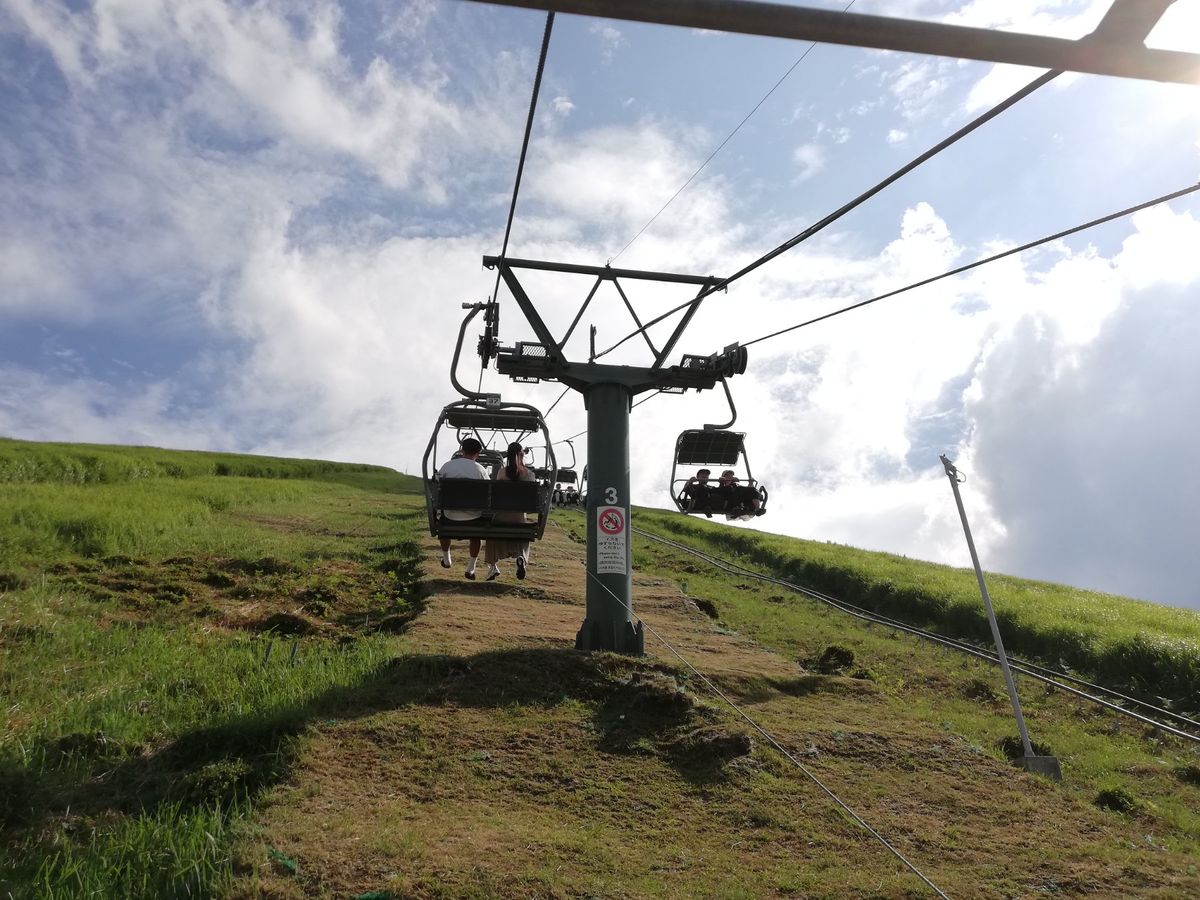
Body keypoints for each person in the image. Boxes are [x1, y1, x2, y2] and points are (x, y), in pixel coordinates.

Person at [436, 437, 488, 579]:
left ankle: (447, 559)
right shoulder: (481, 470)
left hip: (450, 515)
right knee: (476, 536)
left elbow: (436, 487)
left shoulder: (447, 466)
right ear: (478, 453)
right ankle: (471, 568)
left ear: (462, 450)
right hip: (473, 517)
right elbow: (488, 493)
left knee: (443, 527)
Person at [484, 442, 536, 580]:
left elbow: (496, 496)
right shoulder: (529, 475)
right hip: (519, 518)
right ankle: (520, 556)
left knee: (492, 534)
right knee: (522, 533)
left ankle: (493, 566)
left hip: (501, 517)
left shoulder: (502, 472)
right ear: (522, 454)